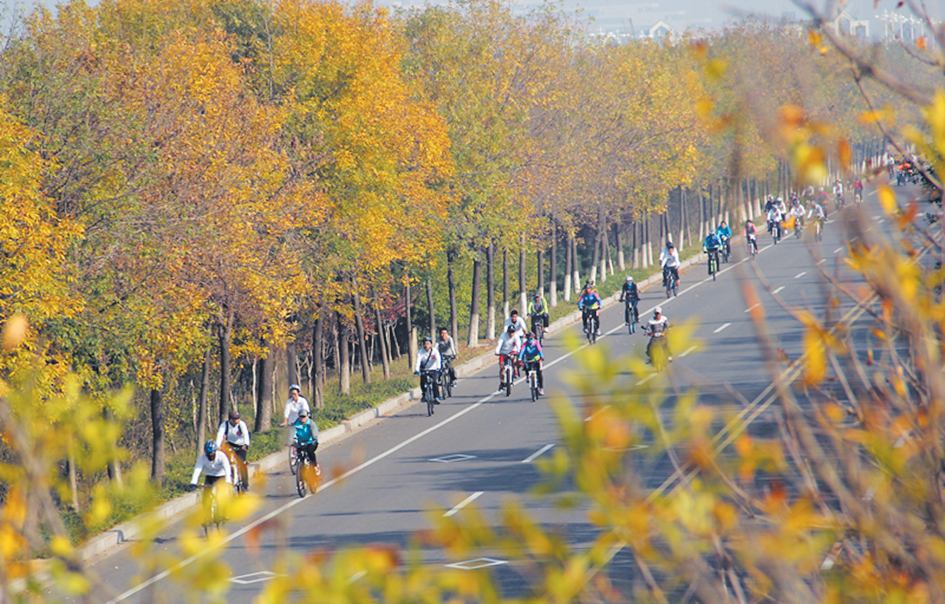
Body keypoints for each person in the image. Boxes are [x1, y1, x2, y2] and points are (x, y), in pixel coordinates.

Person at [215, 409, 250, 490]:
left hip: (241, 446)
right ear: (230, 419)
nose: (237, 420)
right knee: (228, 462)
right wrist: (217, 447)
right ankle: (230, 478)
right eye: (235, 419)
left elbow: (246, 434)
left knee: (242, 464)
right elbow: (219, 435)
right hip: (230, 445)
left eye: (238, 418)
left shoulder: (241, 424)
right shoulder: (224, 425)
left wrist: (246, 444)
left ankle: (245, 484)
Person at [292, 409, 320, 476]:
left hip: (311, 442)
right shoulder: (296, 424)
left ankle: (315, 466)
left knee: (310, 452)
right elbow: (292, 433)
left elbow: (315, 432)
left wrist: (314, 438)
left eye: (304, 417)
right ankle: (301, 477)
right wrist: (292, 440)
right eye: (301, 417)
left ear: (307, 416)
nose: (302, 419)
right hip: (300, 443)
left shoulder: (311, 423)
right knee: (299, 456)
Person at [414, 336, 442, 402]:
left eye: (428, 343)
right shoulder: (420, 352)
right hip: (424, 369)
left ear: (431, 344)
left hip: (433, 369)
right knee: (422, 382)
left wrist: (438, 368)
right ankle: (424, 395)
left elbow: (438, 360)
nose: (426, 345)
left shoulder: (434, 351)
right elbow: (418, 361)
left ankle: (436, 397)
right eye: (425, 344)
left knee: (434, 382)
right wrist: (417, 370)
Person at [518, 332, 545, 396]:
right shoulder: (525, 344)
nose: (530, 339)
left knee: (539, 372)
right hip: (529, 359)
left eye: (531, 338)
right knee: (526, 365)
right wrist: (519, 359)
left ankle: (541, 388)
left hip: (536, 358)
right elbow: (522, 352)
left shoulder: (536, 343)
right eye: (528, 338)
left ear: (533, 337)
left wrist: (542, 357)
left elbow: (540, 351)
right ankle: (527, 376)